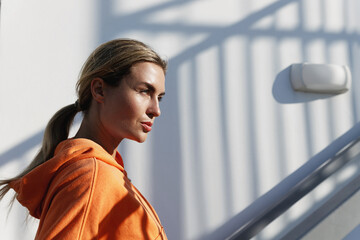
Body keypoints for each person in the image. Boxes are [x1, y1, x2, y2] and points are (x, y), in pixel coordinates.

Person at [0, 39, 168, 239]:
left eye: (159, 97)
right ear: (99, 90)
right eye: (144, 91)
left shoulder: (97, 171)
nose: (156, 110)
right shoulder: (92, 175)